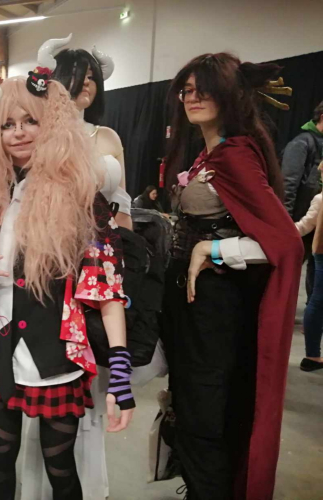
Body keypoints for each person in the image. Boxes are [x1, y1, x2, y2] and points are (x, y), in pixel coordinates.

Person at [0, 71, 135, 500]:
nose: (19, 133)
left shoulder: (80, 195)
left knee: (60, 466)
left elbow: (107, 288)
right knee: (0, 453)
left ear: (49, 124)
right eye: (7, 124)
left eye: (30, 121)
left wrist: (120, 372)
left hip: (57, 355)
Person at [162, 53, 302, 500]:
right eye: (187, 90)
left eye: (204, 89)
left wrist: (214, 248)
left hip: (216, 306)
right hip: (195, 305)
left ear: (229, 94)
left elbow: (286, 244)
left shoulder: (235, 155)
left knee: (206, 411)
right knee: (195, 404)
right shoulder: (213, 153)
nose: (193, 97)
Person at [20, 35, 132, 500]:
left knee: (94, 385)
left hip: (101, 261)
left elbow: (122, 201)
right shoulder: (39, 134)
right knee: (47, 381)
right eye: (78, 77)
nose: (86, 85)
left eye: (93, 79)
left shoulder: (108, 137)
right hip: (51, 263)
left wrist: (124, 252)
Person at [282, 100, 323, 297]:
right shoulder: (302, 142)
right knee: (287, 270)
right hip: (300, 219)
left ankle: (311, 312)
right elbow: (288, 184)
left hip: (317, 220)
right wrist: (286, 222)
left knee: (315, 271)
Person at [300, 160, 323, 371]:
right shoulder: (320, 199)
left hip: (320, 251)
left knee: (317, 301)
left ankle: (312, 355)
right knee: (317, 300)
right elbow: (304, 226)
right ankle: (312, 355)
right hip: (321, 252)